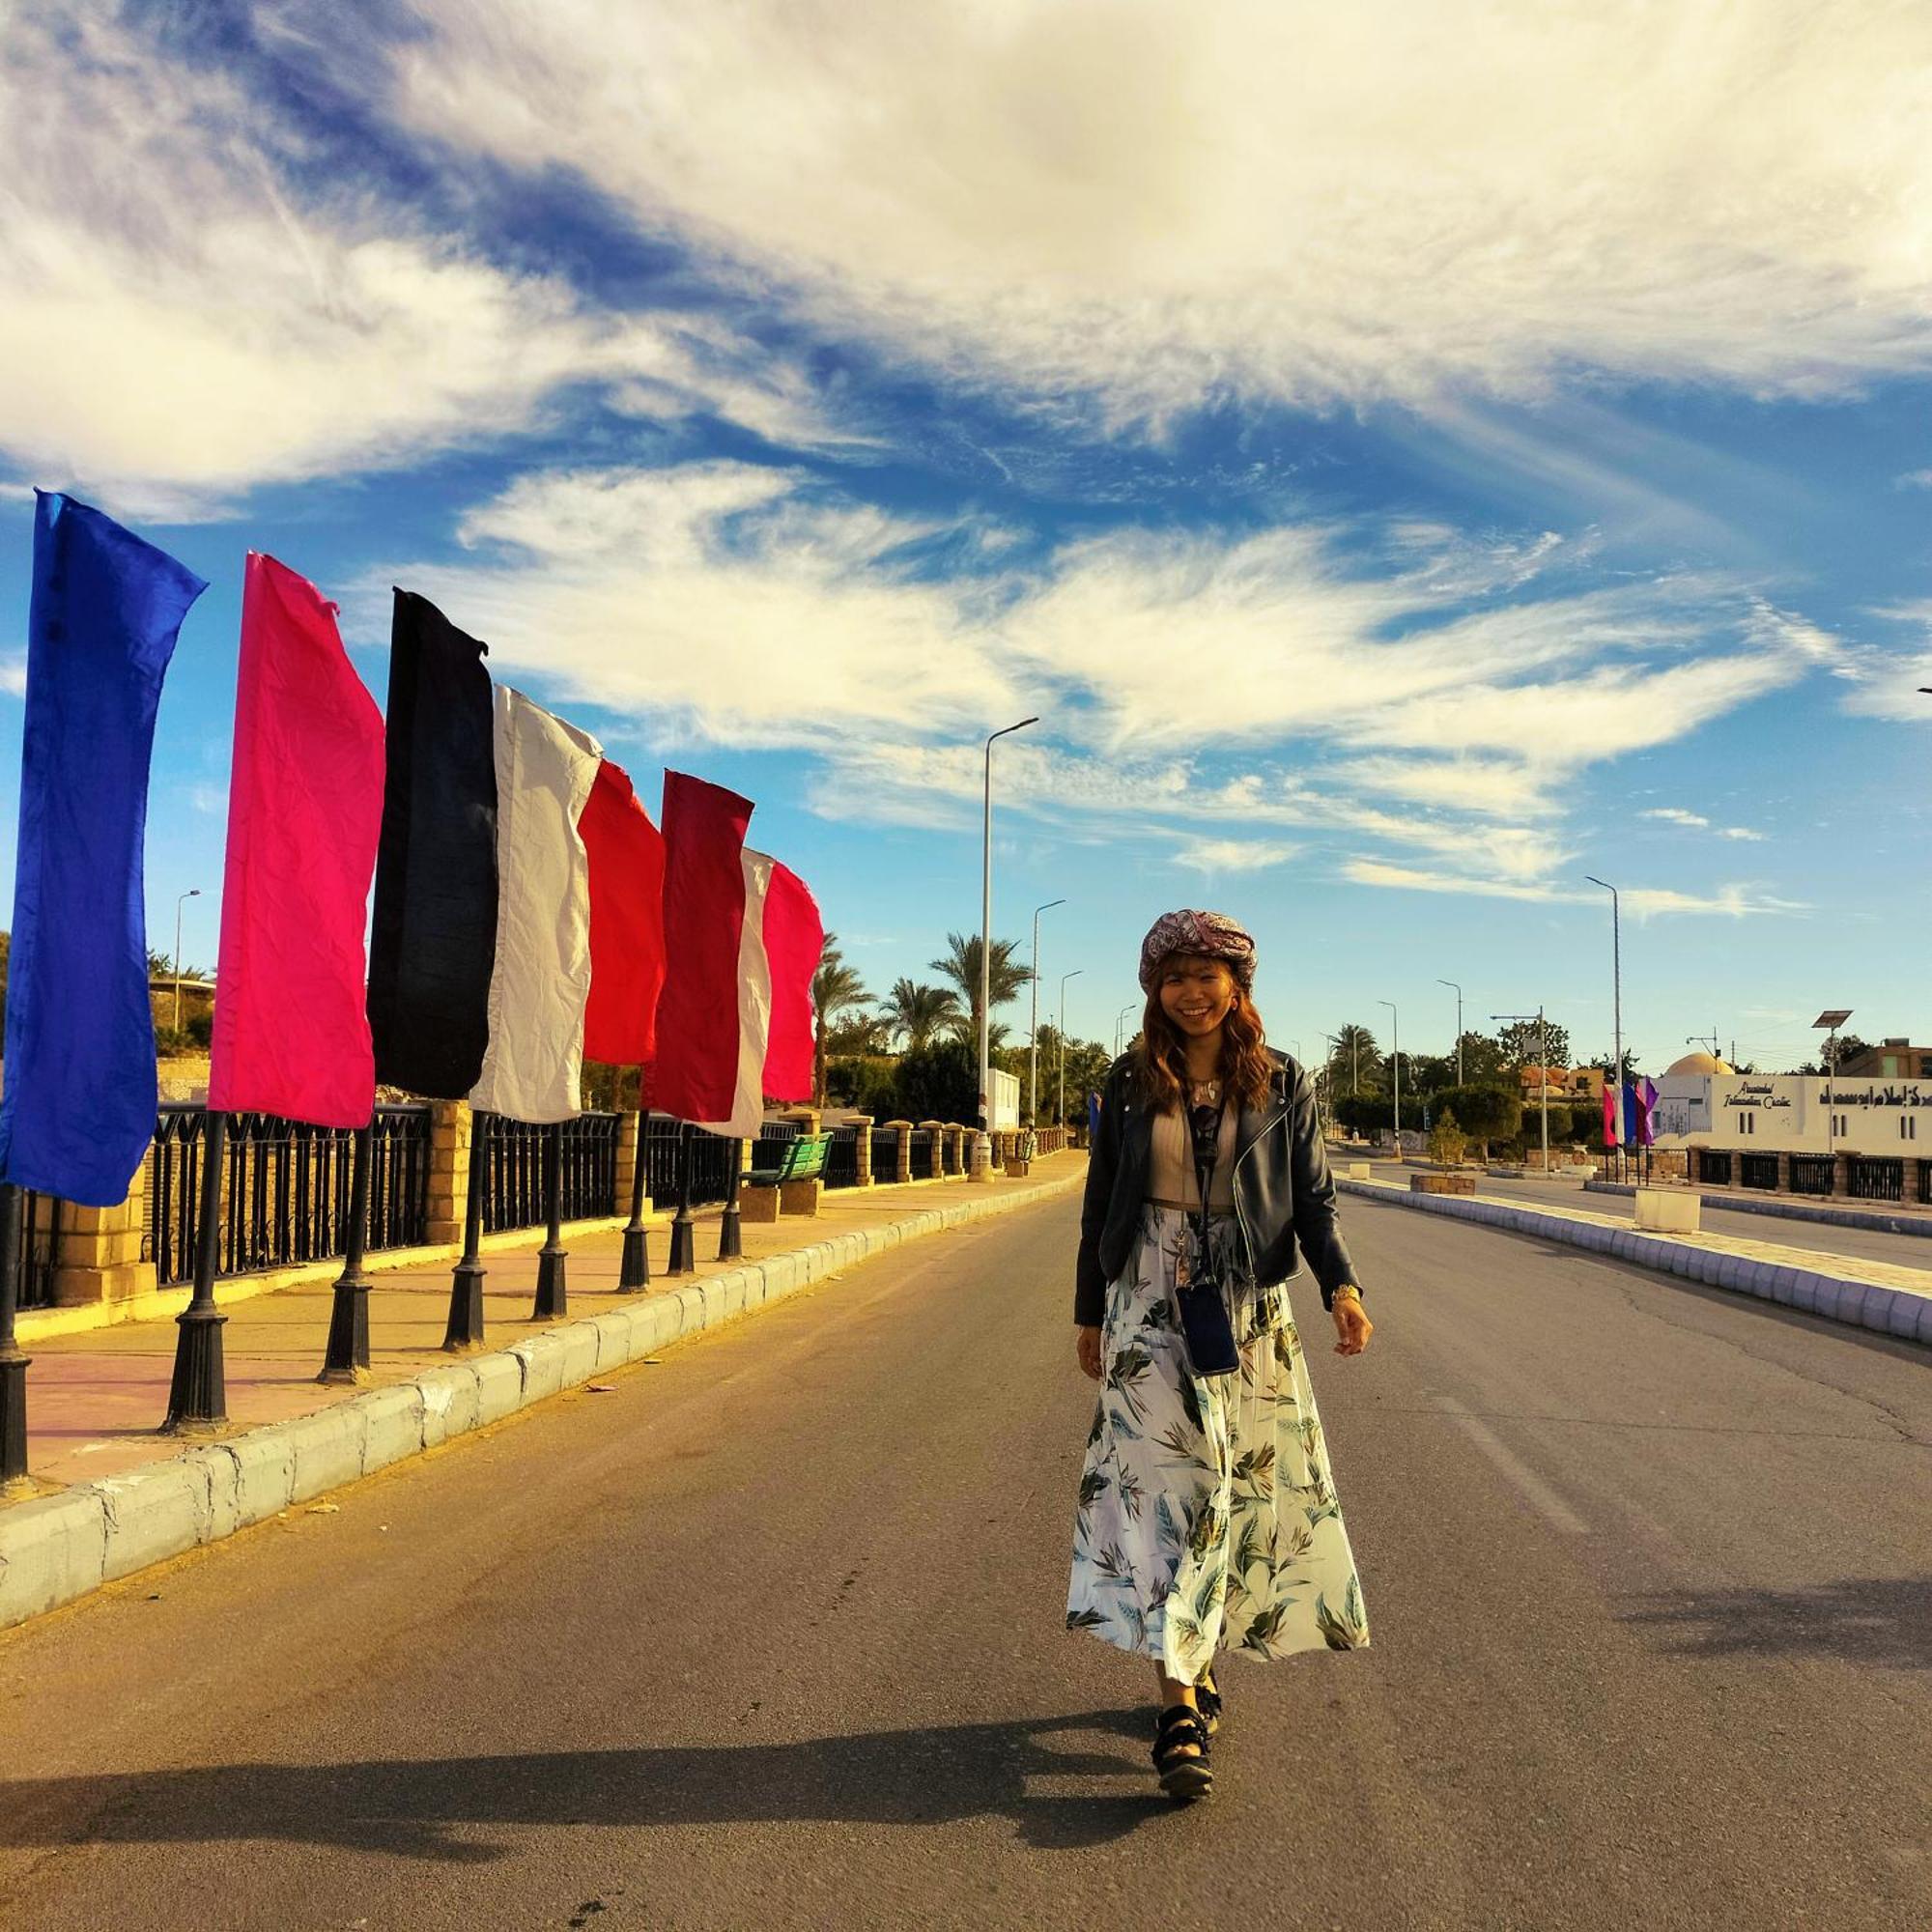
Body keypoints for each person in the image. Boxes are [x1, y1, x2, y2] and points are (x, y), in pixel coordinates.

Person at [1066, 909, 1374, 1803]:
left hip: (1245, 1304)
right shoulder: (1128, 1082)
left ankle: (1196, 1649)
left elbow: (1312, 1198)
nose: (1192, 992)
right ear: (1154, 992)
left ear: (1239, 983)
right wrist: (1090, 1311)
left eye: (1209, 974)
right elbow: (1100, 1203)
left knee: (1231, 1485)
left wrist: (1342, 1289)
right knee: (1167, 1488)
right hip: (1147, 1300)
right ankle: (1176, 1707)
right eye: (1175, 977)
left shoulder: (1283, 1082)